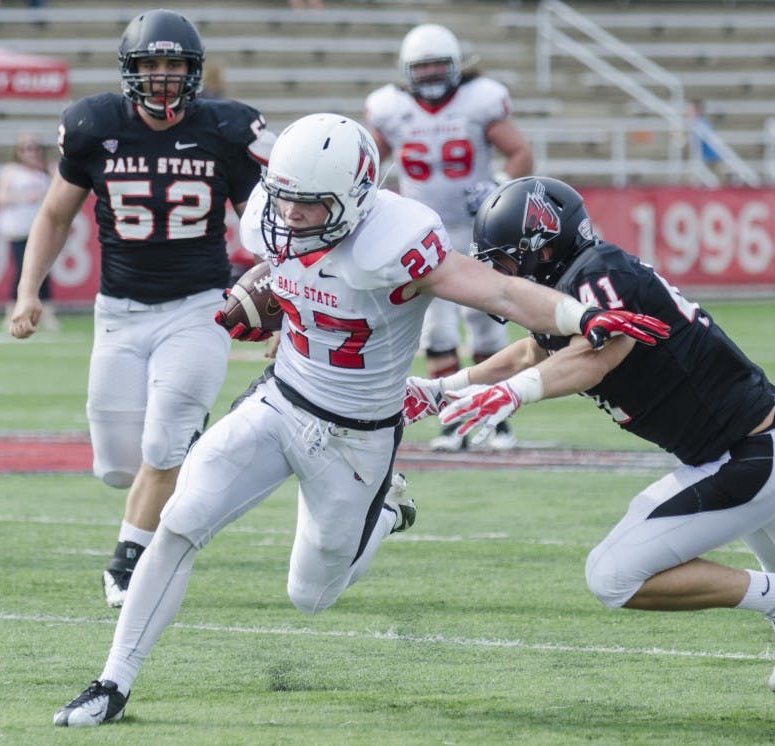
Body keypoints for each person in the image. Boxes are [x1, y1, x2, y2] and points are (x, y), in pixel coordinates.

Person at [51, 113, 667, 727]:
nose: (289, 218)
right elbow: (292, 271)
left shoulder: (398, 241)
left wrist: (577, 317)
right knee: (183, 519)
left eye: (309, 206)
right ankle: (113, 682)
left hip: (357, 436)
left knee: (309, 596)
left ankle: (385, 508)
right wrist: (272, 304)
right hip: (280, 400)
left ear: (354, 200)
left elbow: (498, 293)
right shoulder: (276, 211)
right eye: (284, 201)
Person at [409, 176, 775, 705]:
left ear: (544, 247)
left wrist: (512, 396)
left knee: (612, 575)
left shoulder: (599, 274)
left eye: (505, 261)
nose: (498, 274)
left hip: (747, 453)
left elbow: (599, 355)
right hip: (762, 435)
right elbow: (536, 351)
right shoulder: (579, 283)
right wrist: (444, 389)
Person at [10, 9, 276, 609]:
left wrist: (288, 304)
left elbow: (267, 230)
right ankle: (183, 458)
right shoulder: (94, 126)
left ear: (194, 70)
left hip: (198, 307)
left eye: (173, 64)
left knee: (164, 447)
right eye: (150, 64)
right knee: (116, 465)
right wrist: (28, 291)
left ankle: (128, 560)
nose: (161, 76)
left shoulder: (225, 131)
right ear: (129, 71)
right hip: (119, 314)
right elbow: (55, 214)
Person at [364, 23, 534, 452]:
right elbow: (365, 160)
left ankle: (495, 419)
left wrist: (497, 181)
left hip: (478, 229)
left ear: (457, 66)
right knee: (436, 332)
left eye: (441, 65)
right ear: (407, 71)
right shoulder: (391, 108)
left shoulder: (479, 101)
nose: (434, 75)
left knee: (487, 326)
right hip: (421, 234)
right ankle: (454, 423)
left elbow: (519, 151)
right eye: (424, 67)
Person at [0, 133, 57, 331]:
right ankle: (12, 310)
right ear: (18, 152)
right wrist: (25, 196)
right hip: (19, 228)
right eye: (26, 148)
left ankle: (47, 311)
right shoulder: (12, 171)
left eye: (35, 148)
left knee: (44, 269)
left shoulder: (46, 170)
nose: (32, 152)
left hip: (40, 229)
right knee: (23, 269)